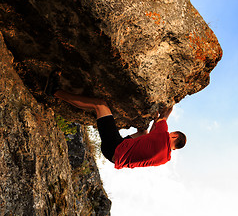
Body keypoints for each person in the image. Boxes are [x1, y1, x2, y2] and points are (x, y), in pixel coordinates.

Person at [44, 70, 186, 169]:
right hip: (116, 156)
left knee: (100, 105)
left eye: (170, 133)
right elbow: (150, 136)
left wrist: (171, 102)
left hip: (115, 148)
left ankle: (55, 92)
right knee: (143, 132)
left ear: (174, 135)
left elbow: (165, 116)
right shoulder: (163, 159)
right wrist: (154, 123)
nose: (168, 133)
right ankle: (55, 92)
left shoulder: (163, 138)